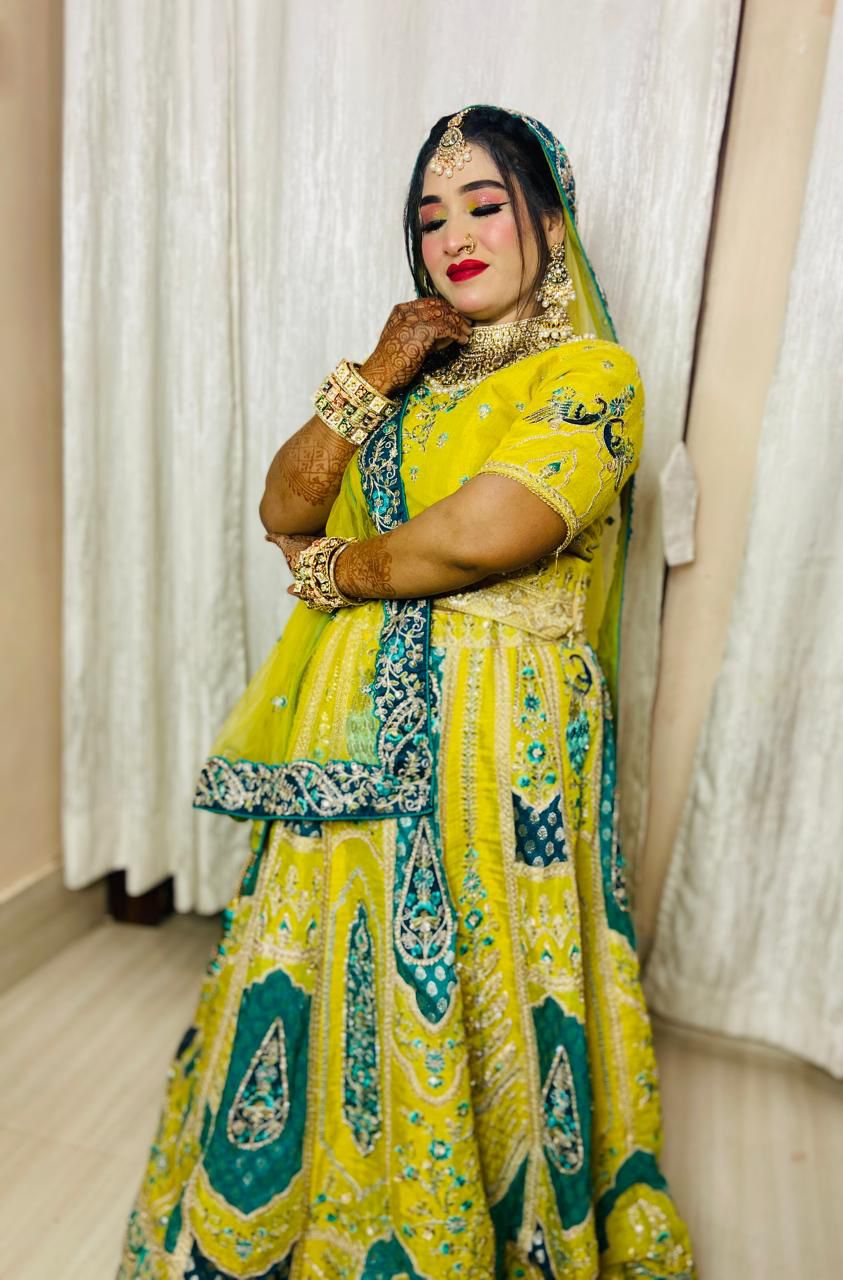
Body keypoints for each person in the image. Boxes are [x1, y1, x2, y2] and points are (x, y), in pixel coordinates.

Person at [118, 104, 695, 1280]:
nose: (455, 237)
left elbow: (489, 530)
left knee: (477, 987)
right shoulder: (404, 383)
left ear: (550, 223)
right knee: (329, 976)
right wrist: (378, 372)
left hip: (497, 745)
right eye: (432, 218)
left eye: (485, 205)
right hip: (351, 742)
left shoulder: (593, 377)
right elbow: (284, 501)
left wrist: (336, 570)